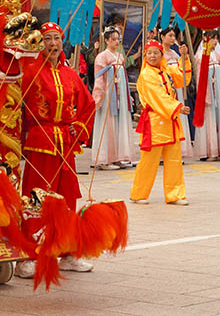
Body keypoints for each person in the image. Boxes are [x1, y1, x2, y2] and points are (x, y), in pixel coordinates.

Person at [15, 22, 96, 279]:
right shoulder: (29, 72)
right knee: (37, 199)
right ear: (40, 43)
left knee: (67, 199)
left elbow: (88, 103)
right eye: (48, 38)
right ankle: (29, 256)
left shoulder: (70, 74)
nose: (53, 44)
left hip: (65, 146)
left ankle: (68, 253)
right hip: (40, 143)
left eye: (57, 39)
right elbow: (15, 104)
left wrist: (78, 127)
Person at [129, 39, 190, 205]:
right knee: (149, 161)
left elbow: (182, 78)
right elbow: (158, 97)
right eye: (149, 53)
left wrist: (184, 57)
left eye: (156, 52)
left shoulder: (166, 71)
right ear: (145, 56)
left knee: (174, 160)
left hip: (170, 121)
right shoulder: (146, 76)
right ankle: (139, 194)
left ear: (161, 55)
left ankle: (175, 194)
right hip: (155, 122)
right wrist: (177, 107)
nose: (152, 56)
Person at [89, 27, 138, 169]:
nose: (116, 41)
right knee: (107, 126)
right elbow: (99, 78)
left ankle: (117, 157)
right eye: (113, 39)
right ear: (106, 40)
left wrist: (127, 95)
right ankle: (104, 160)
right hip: (107, 96)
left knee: (118, 125)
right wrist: (98, 97)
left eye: (118, 39)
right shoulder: (102, 57)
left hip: (120, 95)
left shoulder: (120, 56)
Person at [192, 32, 220, 160]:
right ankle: (209, 151)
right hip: (207, 91)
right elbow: (199, 77)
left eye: (216, 38)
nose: (215, 41)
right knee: (210, 119)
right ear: (204, 38)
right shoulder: (200, 56)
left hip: (218, 91)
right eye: (212, 38)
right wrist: (205, 94)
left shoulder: (217, 56)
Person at [160, 26, 192, 158]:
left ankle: (177, 150)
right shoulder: (158, 53)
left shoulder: (174, 54)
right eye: (170, 36)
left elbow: (182, 73)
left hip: (176, 91)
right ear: (162, 37)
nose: (173, 38)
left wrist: (184, 56)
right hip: (164, 91)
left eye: (174, 36)